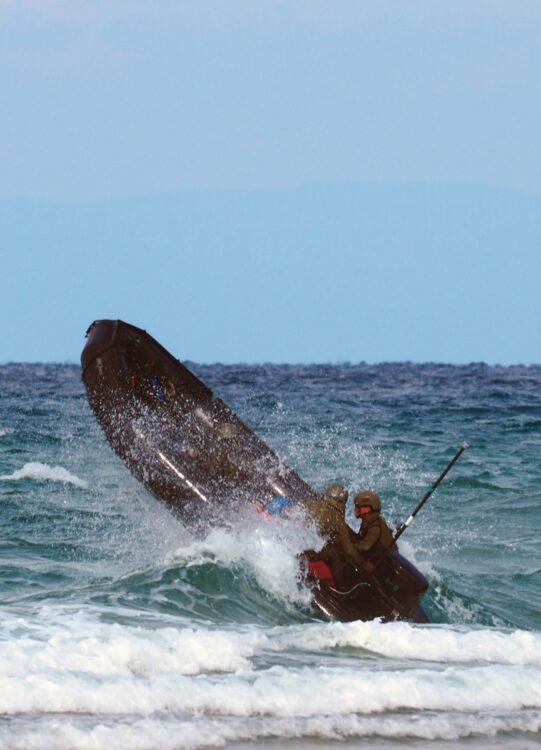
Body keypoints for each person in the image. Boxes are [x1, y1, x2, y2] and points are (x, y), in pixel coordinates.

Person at [303, 483, 366, 589]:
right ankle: (340, 587)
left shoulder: (311, 504)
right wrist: (363, 564)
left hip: (297, 547)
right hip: (306, 554)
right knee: (334, 552)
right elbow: (349, 549)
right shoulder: (338, 520)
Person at [352, 490, 398, 565]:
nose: (355, 509)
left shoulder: (375, 526)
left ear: (367, 509)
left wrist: (349, 546)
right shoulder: (368, 521)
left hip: (385, 565)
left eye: (358, 507)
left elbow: (365, 546)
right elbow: (360, 538)